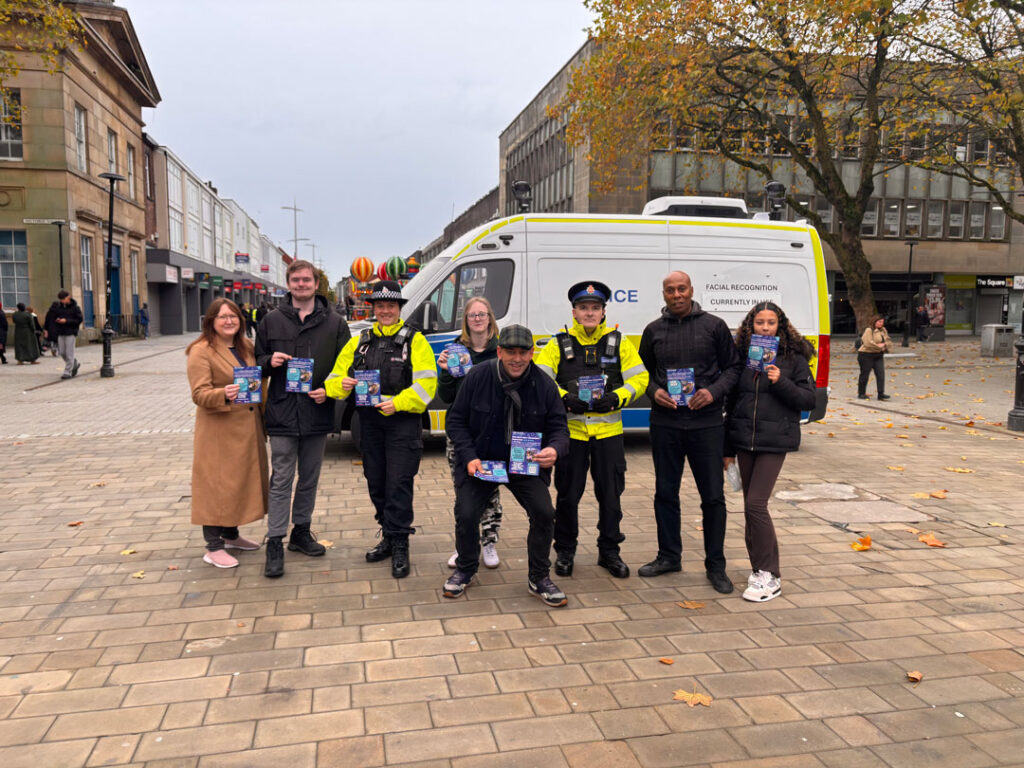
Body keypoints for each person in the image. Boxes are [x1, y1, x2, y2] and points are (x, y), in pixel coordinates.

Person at [443, 324, 571, 606]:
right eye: (511, 352)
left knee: (544, 513)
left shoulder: (545, 385)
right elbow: (455, 420)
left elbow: (560, 428)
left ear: (532, 353)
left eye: (523, 352)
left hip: (523, 465)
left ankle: (539, 578)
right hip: (483, 462)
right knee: (466, 513)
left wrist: (554, 449)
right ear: (499, 352)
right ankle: (466, 569)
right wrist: (469, 456)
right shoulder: (478, 376)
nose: (517, 358)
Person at [636, 271, 742, 594]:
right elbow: (641, 373)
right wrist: (654, 392)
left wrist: (713, 392)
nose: (676, 294)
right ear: (664, 294)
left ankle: (716, 565)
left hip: (706, 423)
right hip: (665, 423)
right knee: (665, 493)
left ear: (691, 290)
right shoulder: (653, 330)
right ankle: (669, 556)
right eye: (670, 290)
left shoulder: (714, 326)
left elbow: (733, 368)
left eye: (681, 288)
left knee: (713, 497)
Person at [535, 280, 648, 579]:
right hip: (571, 435)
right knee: (568, 496)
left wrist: (617, 397)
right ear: (574, 312)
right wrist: (564, 398)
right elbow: (541, 379)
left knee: (611, 497)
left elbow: (640, 379)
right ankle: (565, 550)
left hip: (608, 435)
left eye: (595, 308)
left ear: (603, 312)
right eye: (583, 308)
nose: (589, 313)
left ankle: (609, 552)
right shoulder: (557, 344)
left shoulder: (619, 343)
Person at [325, 280, 437, 579]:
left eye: (391, 306)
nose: (386, 311)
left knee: (398, 483)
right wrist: (342, 384)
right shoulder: (359, 342)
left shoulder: (415, 341)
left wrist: (398, 403)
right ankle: (388, 534)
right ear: (373, 309)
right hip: (370, 425)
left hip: (402, 423)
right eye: (380, 306)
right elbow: (333, 381)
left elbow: (427, 385)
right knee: (376, 482)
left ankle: (400, 543)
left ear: (399, 308)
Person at [256, 260, 351, 578]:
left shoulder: (335, 323)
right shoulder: (271, 320)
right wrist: (270, 361)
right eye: (295, 280)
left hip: (316, 410)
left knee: (309, 477)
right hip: (282, 411)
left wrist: (330, 391)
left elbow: (346, 366)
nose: (301, 284)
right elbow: (256, 361)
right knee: (282, 477)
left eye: (306, 280)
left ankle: (301, 532)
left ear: (316, 283)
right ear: (288, 284)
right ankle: (275, 541)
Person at [725, 302, 817, 602]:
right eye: (760, 323)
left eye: (771, 323)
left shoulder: (794, 358)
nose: (765, 328)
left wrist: (781, 381)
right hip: (744, 441)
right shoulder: (743, 357)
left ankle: (770, 574)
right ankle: (759, 570)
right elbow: (732, 403)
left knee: (756, 504)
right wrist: (727, 450)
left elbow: (808, 400)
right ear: (750, 326)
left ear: (781, 326)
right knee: (750, 509)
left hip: (775, 440)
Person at [186, 299, 268, 568]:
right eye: (222, 317)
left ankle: (231, 535)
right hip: (219, 432)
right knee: (217, 486)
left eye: (233, 316)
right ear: (211, 321)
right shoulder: (201, 351)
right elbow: (199, 394)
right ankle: (213, 546)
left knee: (238, 484)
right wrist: (224, 393)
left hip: (247, 428)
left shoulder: (245, 346)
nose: (229, 321)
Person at [438, 297, 503, 569]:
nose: (477, 319)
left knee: (490, 491)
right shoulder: (455, 351)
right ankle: (464, 545)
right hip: (462, 433)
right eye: (472, 315)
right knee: (464, 493)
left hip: (492, 433)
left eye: (482, 314)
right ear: (466, 320)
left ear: (490, 318)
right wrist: (445, 372)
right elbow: (446, 397)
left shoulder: (501, 350)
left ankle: (489, 542)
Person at [857, 315, 892, 401]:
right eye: (879, 322)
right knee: (865, 374)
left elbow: (888, 341)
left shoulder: (883, 330)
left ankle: (881, 393)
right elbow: (868, 343)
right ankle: (861, 393)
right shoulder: (869, 330)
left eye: (882, 322)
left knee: (880, 374)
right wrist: (878, 346)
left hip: (878, 355)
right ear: (874, 321)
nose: (881, 324)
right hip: (866, 355)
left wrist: (885, 345)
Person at [52, 291, 83, 379]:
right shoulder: (59, 307)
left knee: (69, 353)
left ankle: (67, 372)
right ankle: (73, 363)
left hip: (70, 332)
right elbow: (54, 317)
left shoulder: (75, 308)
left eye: (63, 299)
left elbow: (79, 320)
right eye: (61, 299)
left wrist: (67, 321)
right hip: (61, 332)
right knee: (62, 352)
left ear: (68, 297)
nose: (62, 301)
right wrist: (57, 320)